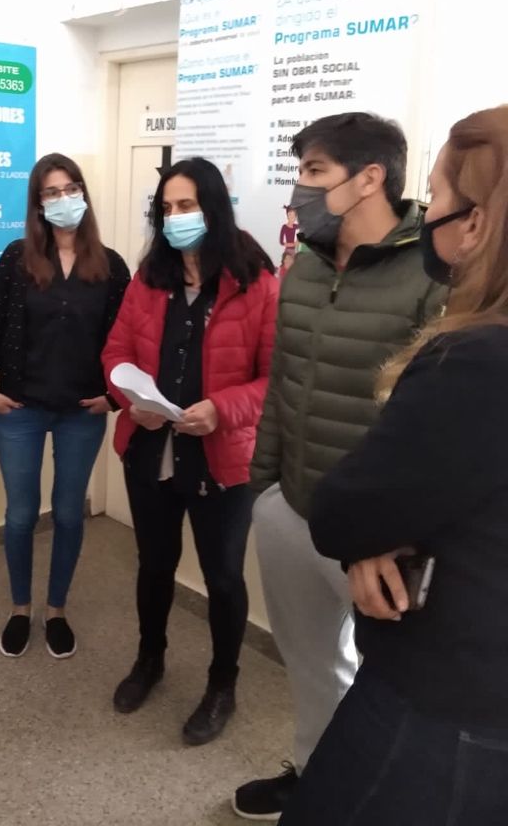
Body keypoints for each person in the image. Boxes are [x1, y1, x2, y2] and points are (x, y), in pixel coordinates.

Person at [279, 106, 508, 824]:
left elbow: (351, 509)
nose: (429, 211)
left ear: (478, 222)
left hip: (448, 697)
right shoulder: (307, 267)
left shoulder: (475, 355)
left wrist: (371, 525)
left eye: (438, 195)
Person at [233, 112, 446, 820]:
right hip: (292, 507)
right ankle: (312, 773)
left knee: (390, 688)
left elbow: (429, 423)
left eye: (314, 172)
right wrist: (263, 488)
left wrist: (397, 531)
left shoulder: (431, 273)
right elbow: (284, 384)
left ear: (370, 178)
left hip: (374, 534)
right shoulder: (306, 267)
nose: (299, 188)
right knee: (310, 662)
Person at [103, 157, 279, 746]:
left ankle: (222, 684)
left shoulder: (256, 280)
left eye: (187, 206)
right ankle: (149, 660)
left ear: (214, 208)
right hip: (151, 449)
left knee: (223, 577)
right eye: (167, 208)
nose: (175, 217)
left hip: (223, 460)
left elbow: (275, 379)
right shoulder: (149, 277)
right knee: (154, 565)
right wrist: (130, 400)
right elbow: (115, 353)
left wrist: (221, 409)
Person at [0, 154, 130, 660]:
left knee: (68, 513)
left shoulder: (111, 266)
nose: (63, 199)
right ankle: (21, 608)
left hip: (81, 411)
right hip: (20, 407)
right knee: (21, 515)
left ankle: (56, 609)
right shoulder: (16, 258)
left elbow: (124, 339)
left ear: (83, 193)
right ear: (38, 203)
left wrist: (115, 395)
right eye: (51, 192)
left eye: (71, 189)